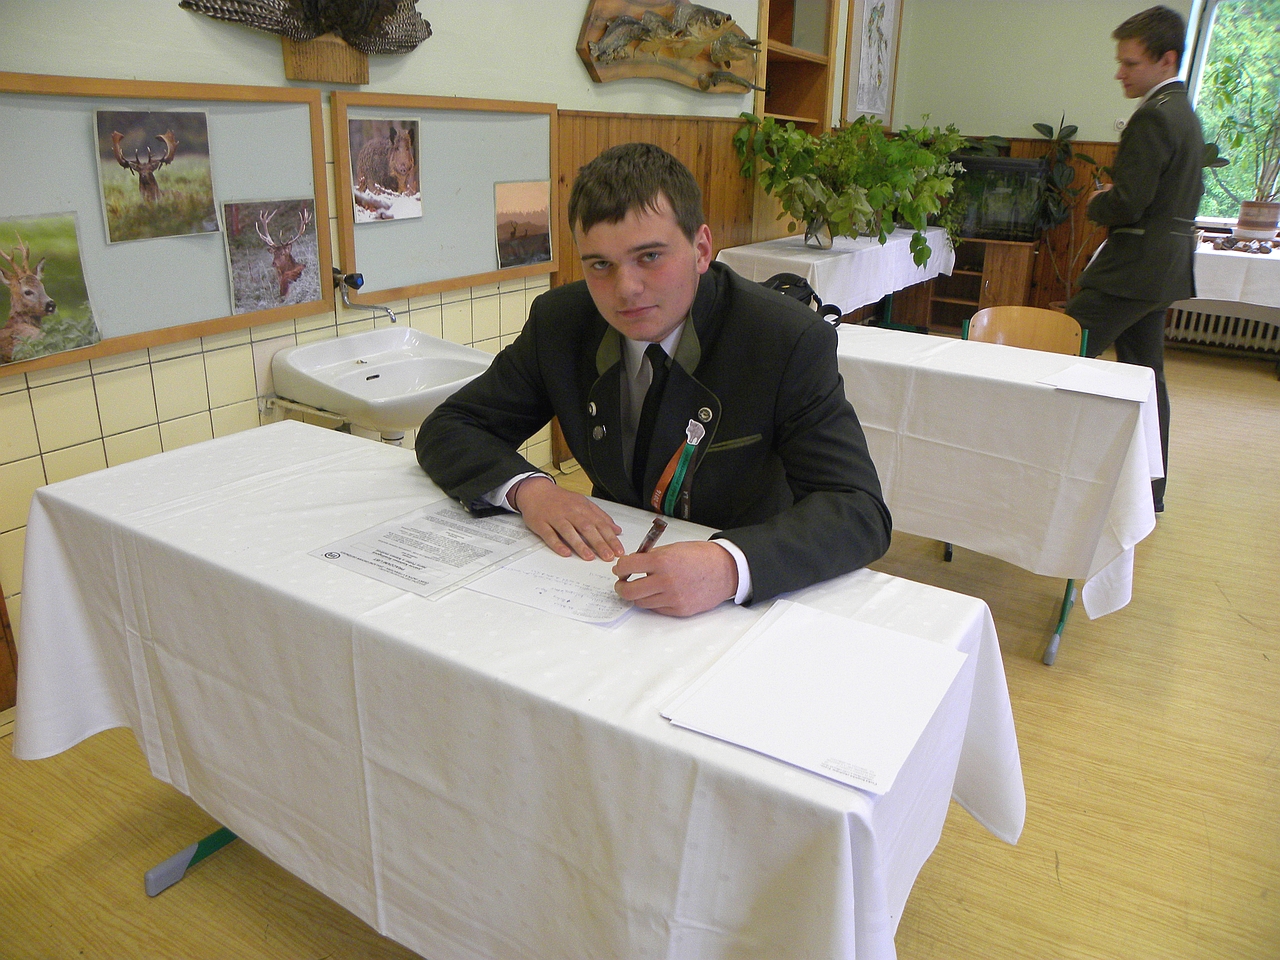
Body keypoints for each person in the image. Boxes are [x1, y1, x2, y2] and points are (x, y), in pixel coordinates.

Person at [417, 142, 891, 617]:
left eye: (649, 256)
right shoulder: (560, 322)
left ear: (701, 249)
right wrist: (530, 490)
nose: (625, 289)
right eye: (600, 264)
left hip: (739, 601)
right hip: (604, 576)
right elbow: (451, 426)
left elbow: (858, 508)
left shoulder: (784, 339)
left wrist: (729, 565)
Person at [1066, 5, 1204, 513]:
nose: (1120, 73)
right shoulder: (1183, 112)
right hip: (1162, 268)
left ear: (1166, 60)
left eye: (1130, 63)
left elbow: (1129, 203)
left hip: (1132, 270)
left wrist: (1098, 200)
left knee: (1055, 353)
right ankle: (1150, 491)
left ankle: (1035, 468)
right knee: (1147, 378)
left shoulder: (1153, 115)